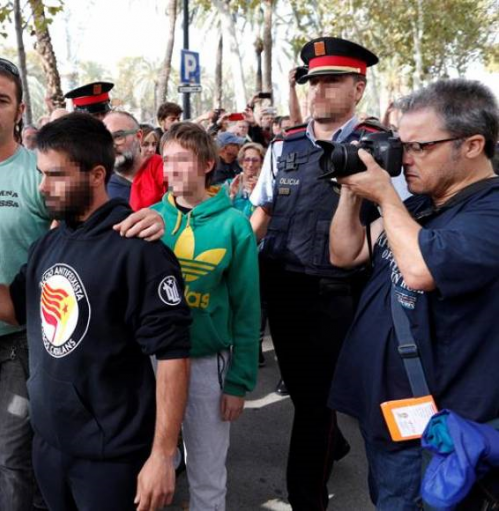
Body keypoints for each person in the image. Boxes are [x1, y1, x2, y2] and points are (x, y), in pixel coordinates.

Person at [0, 56, 167, 510]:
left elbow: (170, 353)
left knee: (12, 459)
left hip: (58, 372)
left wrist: (162, 454)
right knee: (24, 456)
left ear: (19, 109)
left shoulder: (125, 237)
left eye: (3, 98)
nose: (42, 187)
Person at [328, 79, 499, 510]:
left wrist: (385, 195)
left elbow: (421, 270)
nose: (404, 160)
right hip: (389, 418)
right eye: (400, 145)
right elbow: (345, 253)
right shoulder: (422, 207)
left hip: (437, 433)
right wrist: (352, 189)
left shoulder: (490, 211)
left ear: (473, 144)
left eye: (420, 147)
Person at [248, 36, 386, 510]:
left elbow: (400, 220)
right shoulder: (282, 147)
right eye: (312, 81)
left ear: (358, 88)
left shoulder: (378, 148)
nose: (318, 91)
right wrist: (236, 269)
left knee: (312, 405)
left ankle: (307, 499)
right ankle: (335, 441)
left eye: (331, 81)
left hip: (340, 293)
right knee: (307, 391)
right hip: (283, 287)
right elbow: (260, 215)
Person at [152, 122, 260, 510]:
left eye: (183, 160)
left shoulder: (234, 226)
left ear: (207, 164)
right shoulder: (150, 219)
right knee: (151, 462)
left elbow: (247, 308)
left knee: (207, 475)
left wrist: (238, 381)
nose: (172, 170)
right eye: (166, 160)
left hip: (205, 365)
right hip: (151, 363)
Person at [103, 110, 166, 210]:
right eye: (106, 139)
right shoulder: (100, 183)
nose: (112, 145)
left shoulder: (164, 169)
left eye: (118, 136)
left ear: (138, 136)